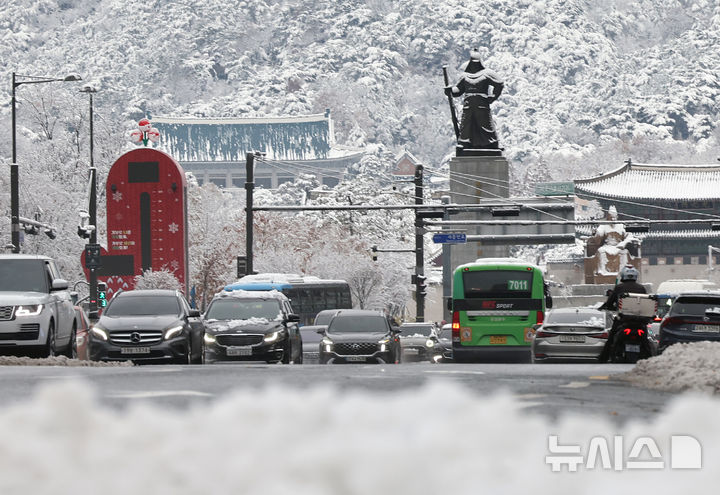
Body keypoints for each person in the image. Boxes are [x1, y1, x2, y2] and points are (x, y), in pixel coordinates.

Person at [445, 49, 504, 150]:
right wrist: (450, 90)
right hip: (468, 105)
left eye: (476, 63)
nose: (474, 65)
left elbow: (499, 83)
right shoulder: (465, 76)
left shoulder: (486, 73)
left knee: (485, 124)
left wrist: (493, 97)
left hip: (482, 104)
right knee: (466, 124)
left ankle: (492, 143)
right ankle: (464, 143)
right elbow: (458, 90)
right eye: (473, 63)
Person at [598, 265, 646, 362]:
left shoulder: (619, 287)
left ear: (623, 276)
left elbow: (609, 302)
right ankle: (650, 358)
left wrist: (605, 307)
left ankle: (603, 359)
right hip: (639, 321)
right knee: (646, 342)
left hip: (623, 320)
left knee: (611, 339)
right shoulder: (641, 288)